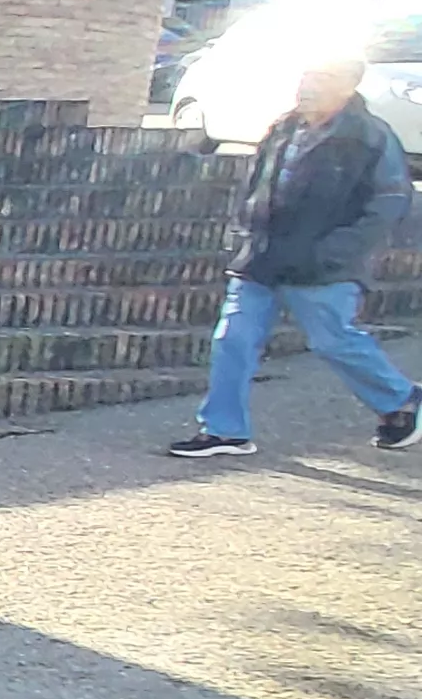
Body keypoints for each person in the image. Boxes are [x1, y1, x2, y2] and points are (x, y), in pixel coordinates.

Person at [170, 55, 419, 457]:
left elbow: (390, 200)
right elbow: (258, 185)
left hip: (322, 265)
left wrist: (337, 249)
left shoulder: (369, 136)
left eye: (322, 80)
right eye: (306, 78)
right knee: (233, 340)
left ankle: (401, 400)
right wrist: (244, 231)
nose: (308, 88)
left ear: (348, 87)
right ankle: (224, 431)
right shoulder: (284, 127)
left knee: (333, 341)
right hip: (261, 257)